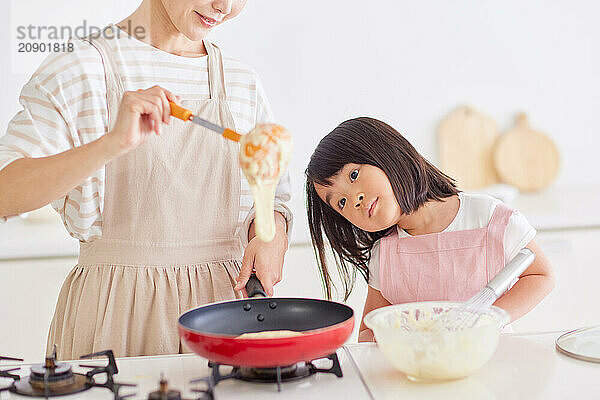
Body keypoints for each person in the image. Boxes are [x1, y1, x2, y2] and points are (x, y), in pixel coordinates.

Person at [0, 0, 292, 359]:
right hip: (116, 317)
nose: (225, 6)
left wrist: (272, 237)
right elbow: (5, 192)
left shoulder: (241, 82)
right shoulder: (84, 68)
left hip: (226, 317)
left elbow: (274, 196)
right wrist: (112, 144)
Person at [305, 117, 554, 342]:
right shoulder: (385, 255)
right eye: (341, 202)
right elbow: (368, 332)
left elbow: (541, 275)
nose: (354, 199)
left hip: (491, 363)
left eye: (354, 175)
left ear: (386, 152)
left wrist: (489, 319)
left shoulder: (488, 217)